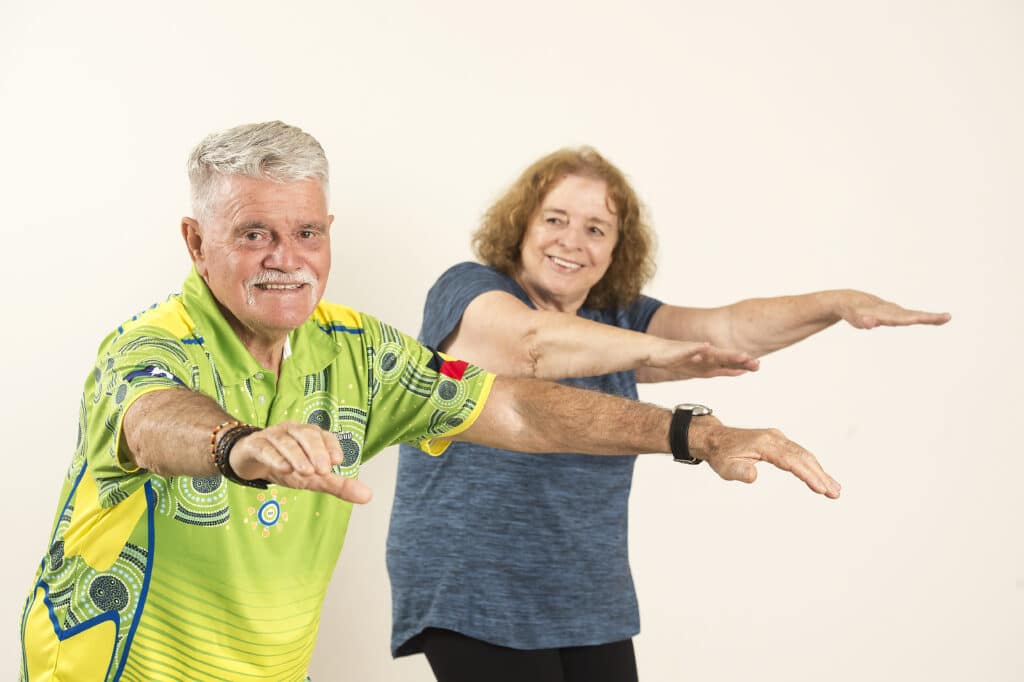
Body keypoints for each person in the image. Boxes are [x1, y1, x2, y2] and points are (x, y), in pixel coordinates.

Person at [18, 124, 840, 682]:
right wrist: (238, 444)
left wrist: (692, 432)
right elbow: (152, 417)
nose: (286, 258)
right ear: (196, 243)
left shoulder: (359, 354)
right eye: (253, 234)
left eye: (306, 233)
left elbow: (518, 408)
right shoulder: (151, 342)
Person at [386, 147, 951, 682]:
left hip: (585, 594)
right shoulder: (466, 290)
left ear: (614, 252)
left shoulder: (619, 317)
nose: (571, 241)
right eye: (554, 219)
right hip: (472, 587)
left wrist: (835, 304)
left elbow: (728, 328)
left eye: (595, 229)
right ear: (522, 226)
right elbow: (531, 343)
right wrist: (658, 351)